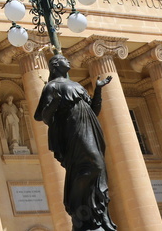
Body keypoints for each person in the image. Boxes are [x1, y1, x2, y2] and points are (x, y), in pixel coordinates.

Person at [34, 53, 116, 231]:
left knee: (98, 168)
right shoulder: (52, 86)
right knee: (94, 166)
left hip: (90, 129)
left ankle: (90, 211)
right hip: (74, 132)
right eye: (64, 59)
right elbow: (42, 116)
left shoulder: (76, 85)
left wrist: (98, 89)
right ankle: (75, 203)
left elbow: (94, 110)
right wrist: (54, 103)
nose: (68, 60)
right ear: (55, 65)